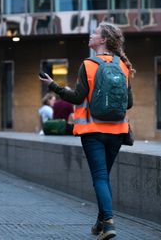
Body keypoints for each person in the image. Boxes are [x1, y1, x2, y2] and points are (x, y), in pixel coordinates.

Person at [39, 22, 133, 240]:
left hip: (93, 131)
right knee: (104, 177)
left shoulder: (89, 65)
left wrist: (53, 85)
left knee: (100, 177)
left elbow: (77, 98)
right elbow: (129, 103)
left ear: (103, 40)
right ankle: (101, 222)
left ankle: (108, 223)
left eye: (94, 33)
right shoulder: (123, 66)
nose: (90, 36)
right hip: (118, 131)